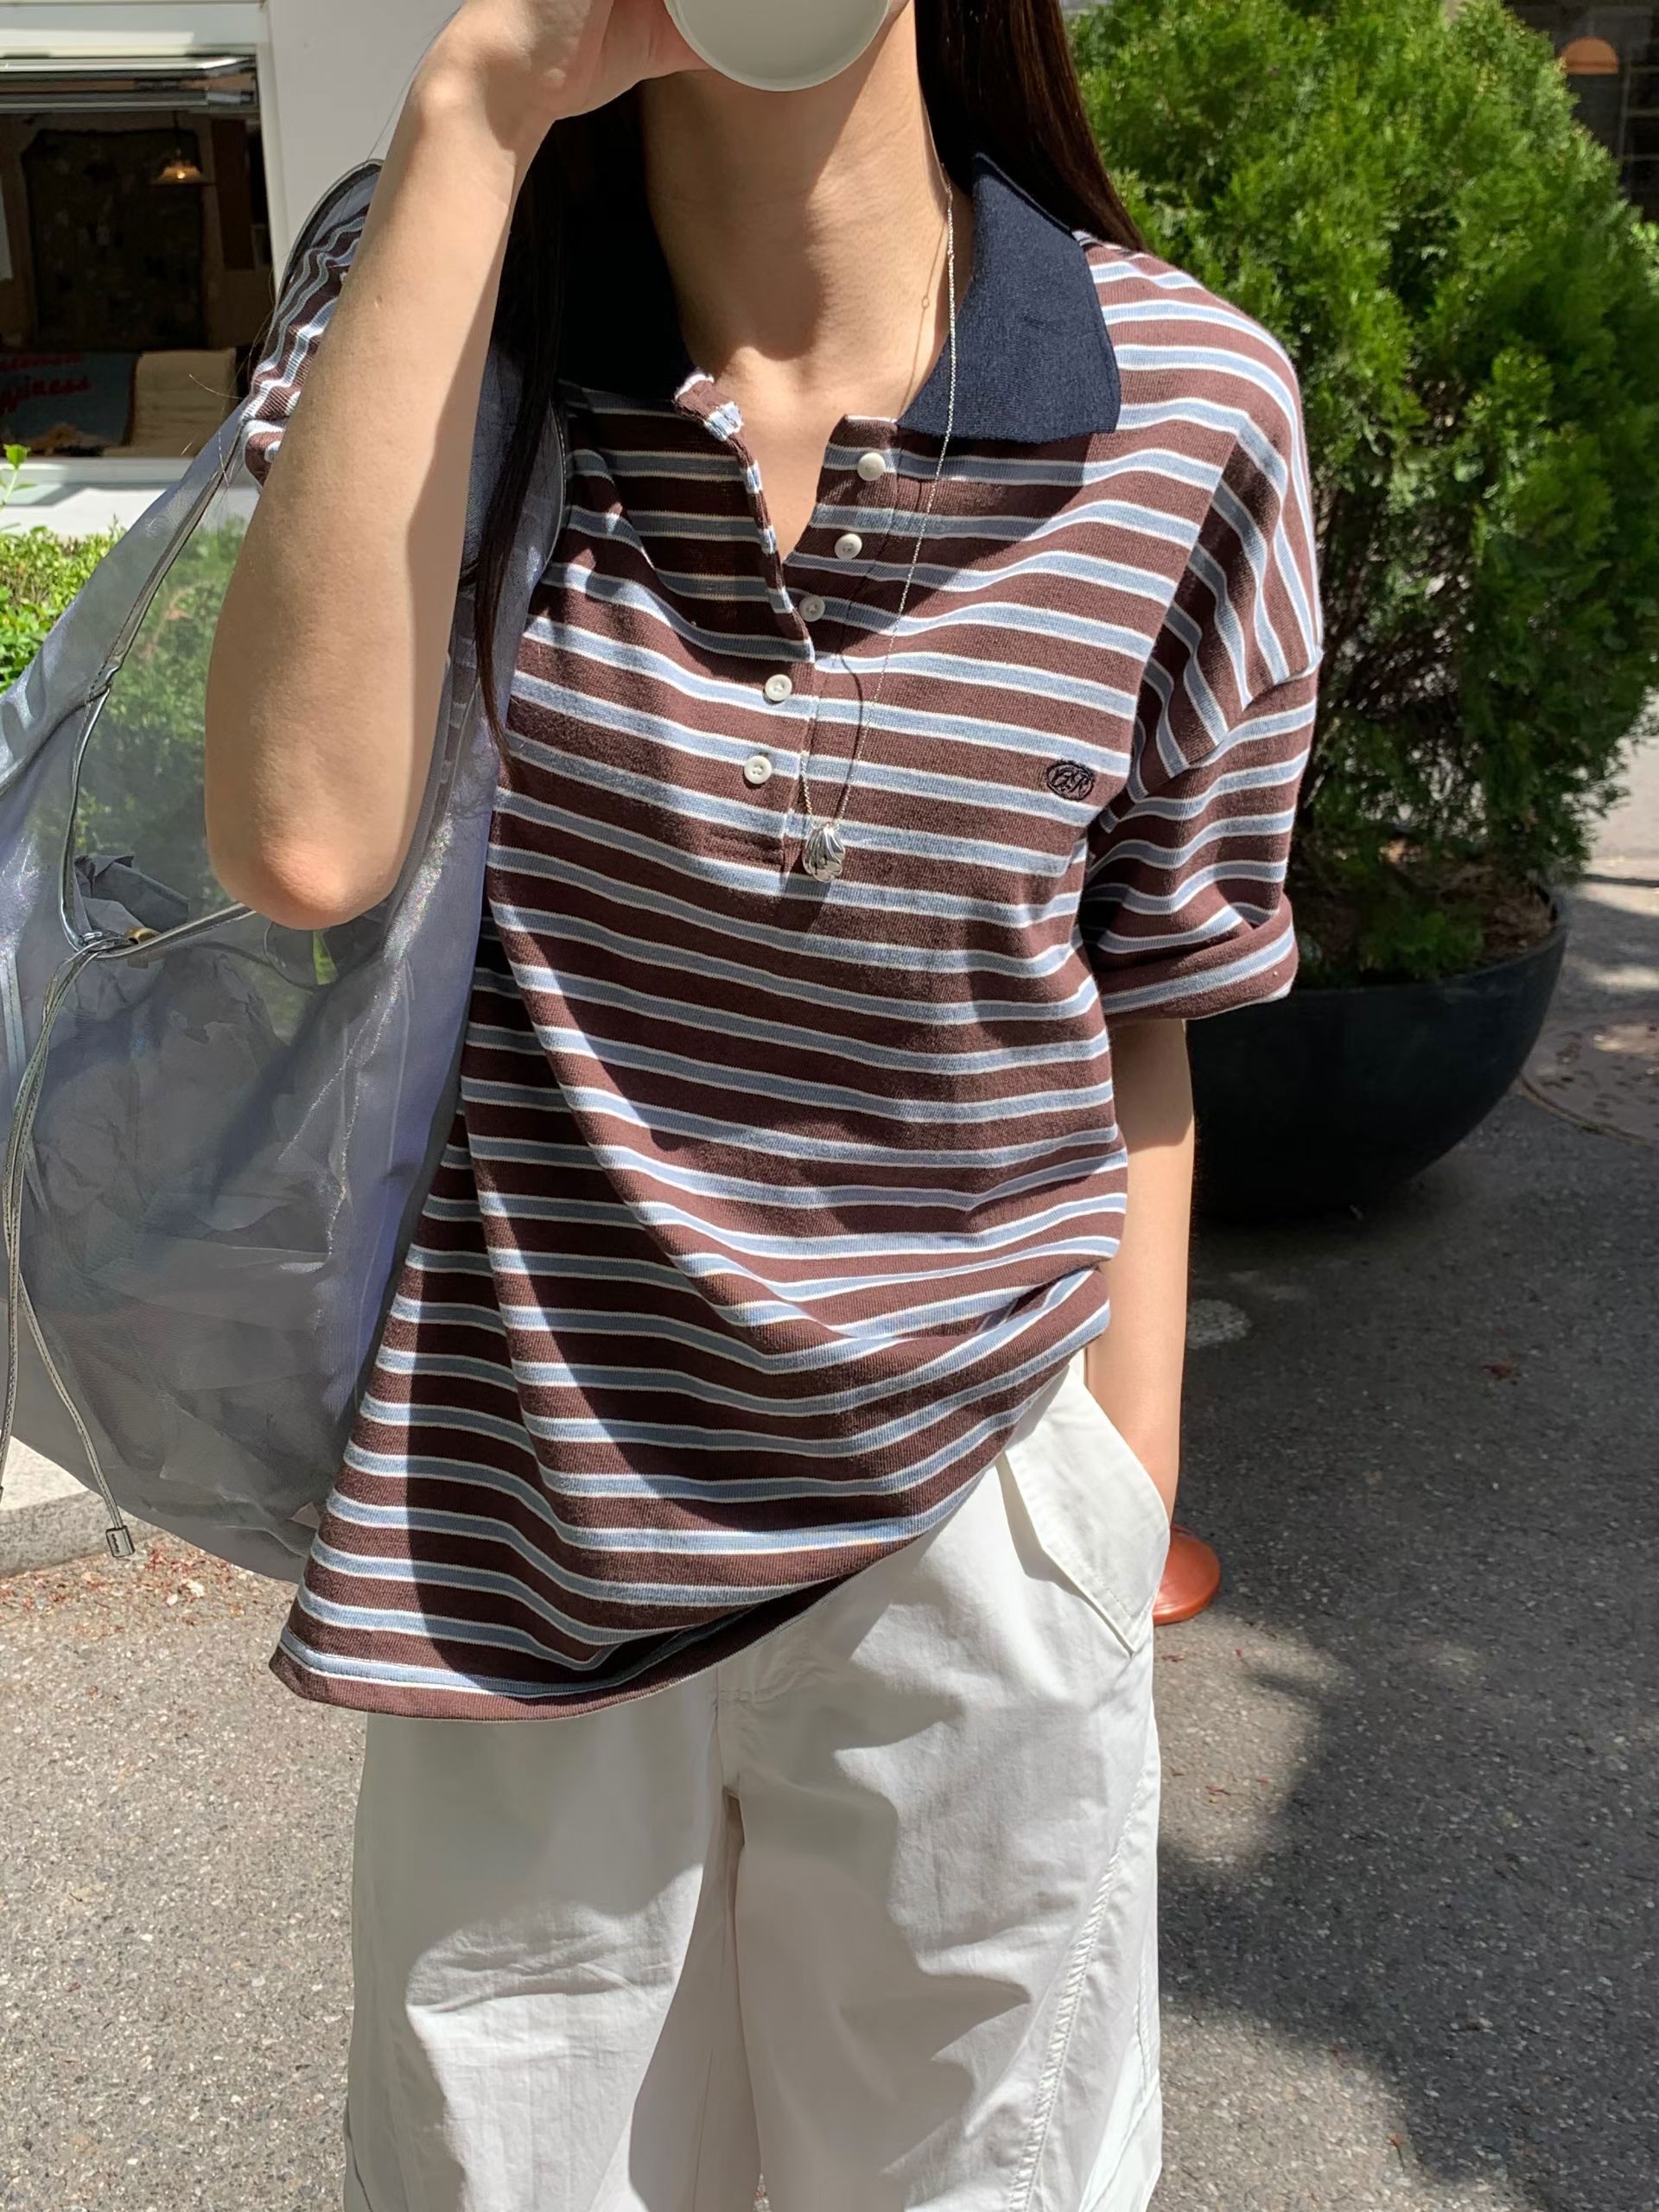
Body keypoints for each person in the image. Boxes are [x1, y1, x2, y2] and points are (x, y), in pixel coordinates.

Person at [203, 2, 1320, 2204]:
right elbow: (303, 839)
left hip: (978, 1531)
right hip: (521, 1545)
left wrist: (1110, 1505)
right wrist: (473, 107)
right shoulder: (450, 302)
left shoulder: (1192, 402)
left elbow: (1149, 1004)